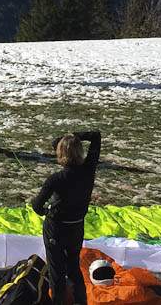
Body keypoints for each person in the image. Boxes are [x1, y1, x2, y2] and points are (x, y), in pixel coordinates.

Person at [30, 130, 103, 305]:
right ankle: (80, 301)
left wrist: (46, 211)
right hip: (76, 227)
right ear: (80, 152)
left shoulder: (56, 179)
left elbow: (37, 206)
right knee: (73, 268)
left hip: (56, 229)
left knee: (56, 272)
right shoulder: (88, 170)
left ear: (60, 154)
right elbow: (96, 136)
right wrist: (74, 135)